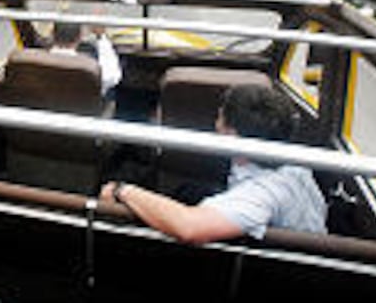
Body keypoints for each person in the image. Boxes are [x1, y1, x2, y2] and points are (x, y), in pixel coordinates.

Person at [100, 84, 327, 244]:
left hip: (284, 268)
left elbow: (190, 228)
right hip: (297, 235)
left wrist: (123, 190)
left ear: (233, 136)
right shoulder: (292, 161)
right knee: (188, 192)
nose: (215, 123)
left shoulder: (261, 194)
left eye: (220, 118)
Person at [51, 22, 122, 98]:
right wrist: (101, 38)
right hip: (83, 108)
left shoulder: (39, 61)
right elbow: (113, 77)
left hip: (46, 107)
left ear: (52, 34)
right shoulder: (90, 69)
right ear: (80, 37)